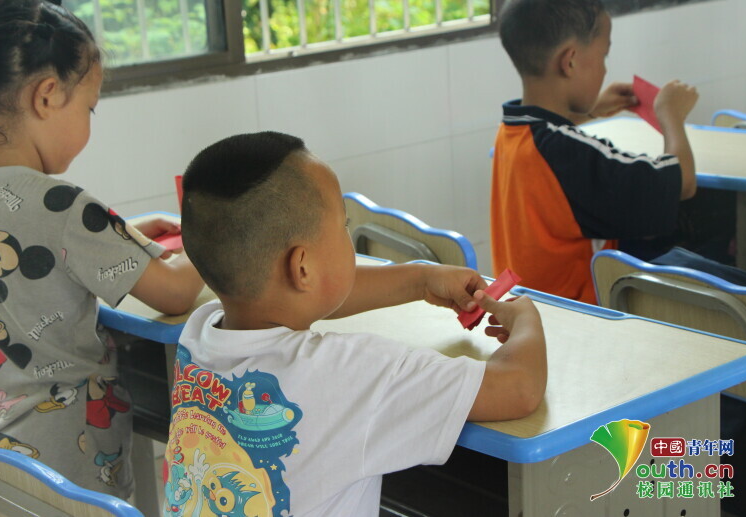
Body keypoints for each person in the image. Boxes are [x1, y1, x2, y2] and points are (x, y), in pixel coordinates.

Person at [164, 131, 547, 516]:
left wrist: (420, 280)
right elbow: (519, 388)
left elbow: (303, 295)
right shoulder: (349, 372)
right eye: (343, 225)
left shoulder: (199, 333)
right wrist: (527, 320)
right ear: (303, 268)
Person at [0, 0, 204, 500]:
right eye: (90, 109)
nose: (89, 124)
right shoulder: (61, 206)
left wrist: (122, 235)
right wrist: (218, 232)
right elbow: (176, 291)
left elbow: (23, 253)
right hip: (68, 468)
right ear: (47, 95)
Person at [490, 0, 699, 304]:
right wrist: (671, 116)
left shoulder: (511, 131)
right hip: (579, 318)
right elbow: (682, 183)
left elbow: (550, 139)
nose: (604, 68)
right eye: (604, 55)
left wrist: (590, 110)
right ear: (570, 61)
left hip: (526, 309)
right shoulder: (571, 154)